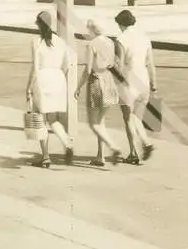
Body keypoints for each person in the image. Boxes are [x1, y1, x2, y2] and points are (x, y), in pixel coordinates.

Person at [26, 11, 75, 168]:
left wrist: (28, 88)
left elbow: (34, 67)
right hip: (58, 79)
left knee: (40, 119)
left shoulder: (36, 42)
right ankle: (67, 143)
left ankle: (45, 156)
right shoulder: (60, 42)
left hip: (42, 79)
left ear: (39, 25)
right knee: (53, 119)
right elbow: (67, 65)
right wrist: (60, 77)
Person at [75, 18, 123, 167]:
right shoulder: (110, 42)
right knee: (100, 121)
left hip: (96, 81)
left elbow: (88, 70)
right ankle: (100, 156)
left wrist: (78, 87)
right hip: (108, 80)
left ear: (92, 30)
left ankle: (113, 147)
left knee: (93, 123)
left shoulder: (91, 45)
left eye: (88, 30)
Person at [114, 9, 158, 165]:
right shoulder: (145, 38)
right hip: (144, 80)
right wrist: (154, 84)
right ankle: (146, 143)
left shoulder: (121, 39)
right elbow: (150, 64)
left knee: (128, 119)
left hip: (128, 82)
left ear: (120, 24)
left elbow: (119, 64)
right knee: (137, 118)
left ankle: (134, 152)